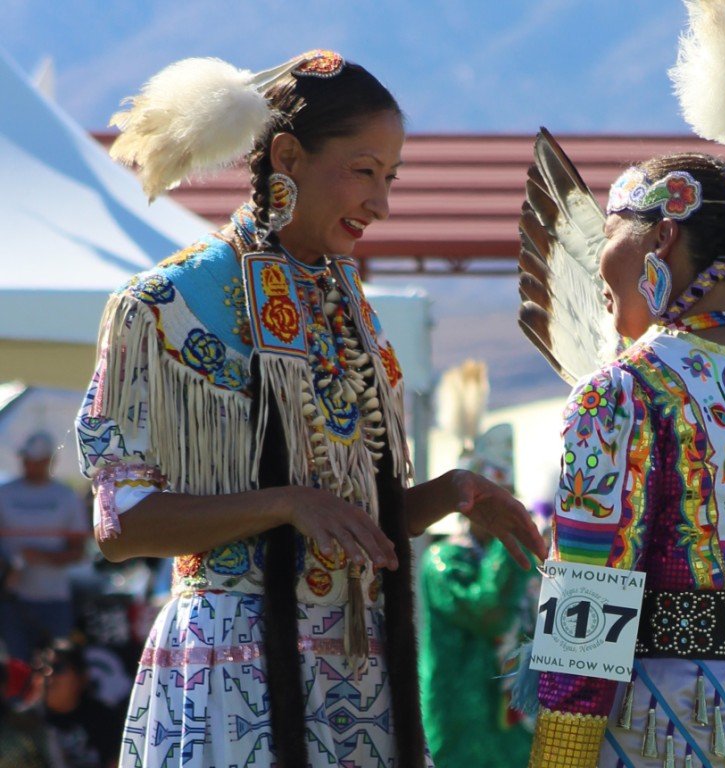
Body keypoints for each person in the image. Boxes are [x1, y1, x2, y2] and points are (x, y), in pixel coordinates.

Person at [76, 50, 546, 768]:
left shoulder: (348, 307)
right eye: (363, 171)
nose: (381, 203)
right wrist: (286, 502)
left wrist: (452, 495)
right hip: (232, 675)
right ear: (288, 156)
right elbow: (121, 528)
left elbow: (353, 528)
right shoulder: (166, 306)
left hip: (359, 677)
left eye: (390, 178)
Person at [520, 4, 725, 766]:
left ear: (662, 237)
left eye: (610, 237)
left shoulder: (624, 392)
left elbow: (591, 589)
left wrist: (562, 750)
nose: (602, 269)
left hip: (669, 719)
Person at [419, 422, 539, 768]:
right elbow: (489, 612)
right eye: (492, 496)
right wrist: (512, 547)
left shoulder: (522, 560)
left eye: (509, 494)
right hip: (461, 719)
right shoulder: (443, 560)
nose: (503, 504)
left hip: (512, 716)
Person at [0, 432, 88, 661]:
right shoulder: (4, 493)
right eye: (26, 459)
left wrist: (40, 557)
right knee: (16, 667)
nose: (29, 465)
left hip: (54, 598)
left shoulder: (66, 497)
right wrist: (7, 568)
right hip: (12, 600)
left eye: (35, 460)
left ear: (49, 460)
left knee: (57, 665)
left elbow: (79, 551)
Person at [36, 639, 122, 768]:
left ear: (82, 677)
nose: (48, 674)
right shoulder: (26, 722)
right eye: (43, 668)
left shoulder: (105, 719)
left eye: (58, 668)